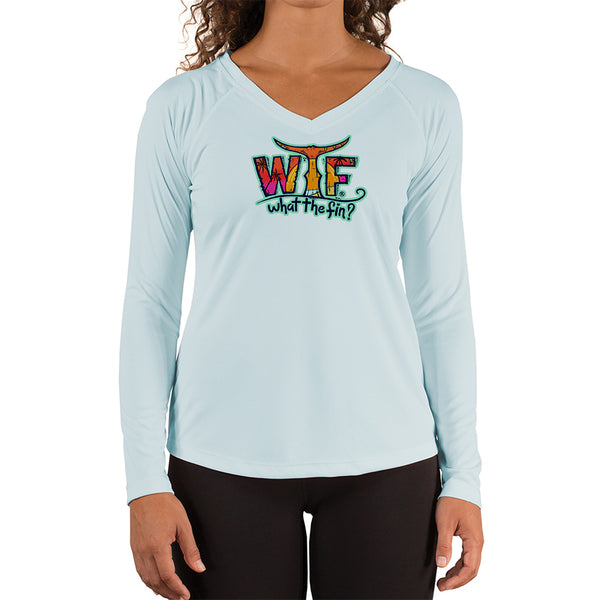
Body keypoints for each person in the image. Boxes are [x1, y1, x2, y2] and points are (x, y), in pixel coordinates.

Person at [118, 1, 485, 599]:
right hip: (220, 460)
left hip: (388, 459)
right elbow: (151, 304)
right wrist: (144, 482)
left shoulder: (423, 105)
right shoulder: (184, 107)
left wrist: (463, 475)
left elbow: (441, 304)